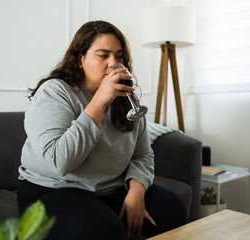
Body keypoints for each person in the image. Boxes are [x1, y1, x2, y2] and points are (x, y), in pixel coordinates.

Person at [17, 20, 187, 240]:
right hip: (53, 189)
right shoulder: (55, 92)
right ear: (80, 59)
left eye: (119, 56)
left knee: (173, 210)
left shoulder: (125, 97)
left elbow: (143, 154)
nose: (113, 63)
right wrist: (98, 103)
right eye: (103, 55)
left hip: (107, 188)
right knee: (104, 230)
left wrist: (137, 189)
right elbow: (59, 162)